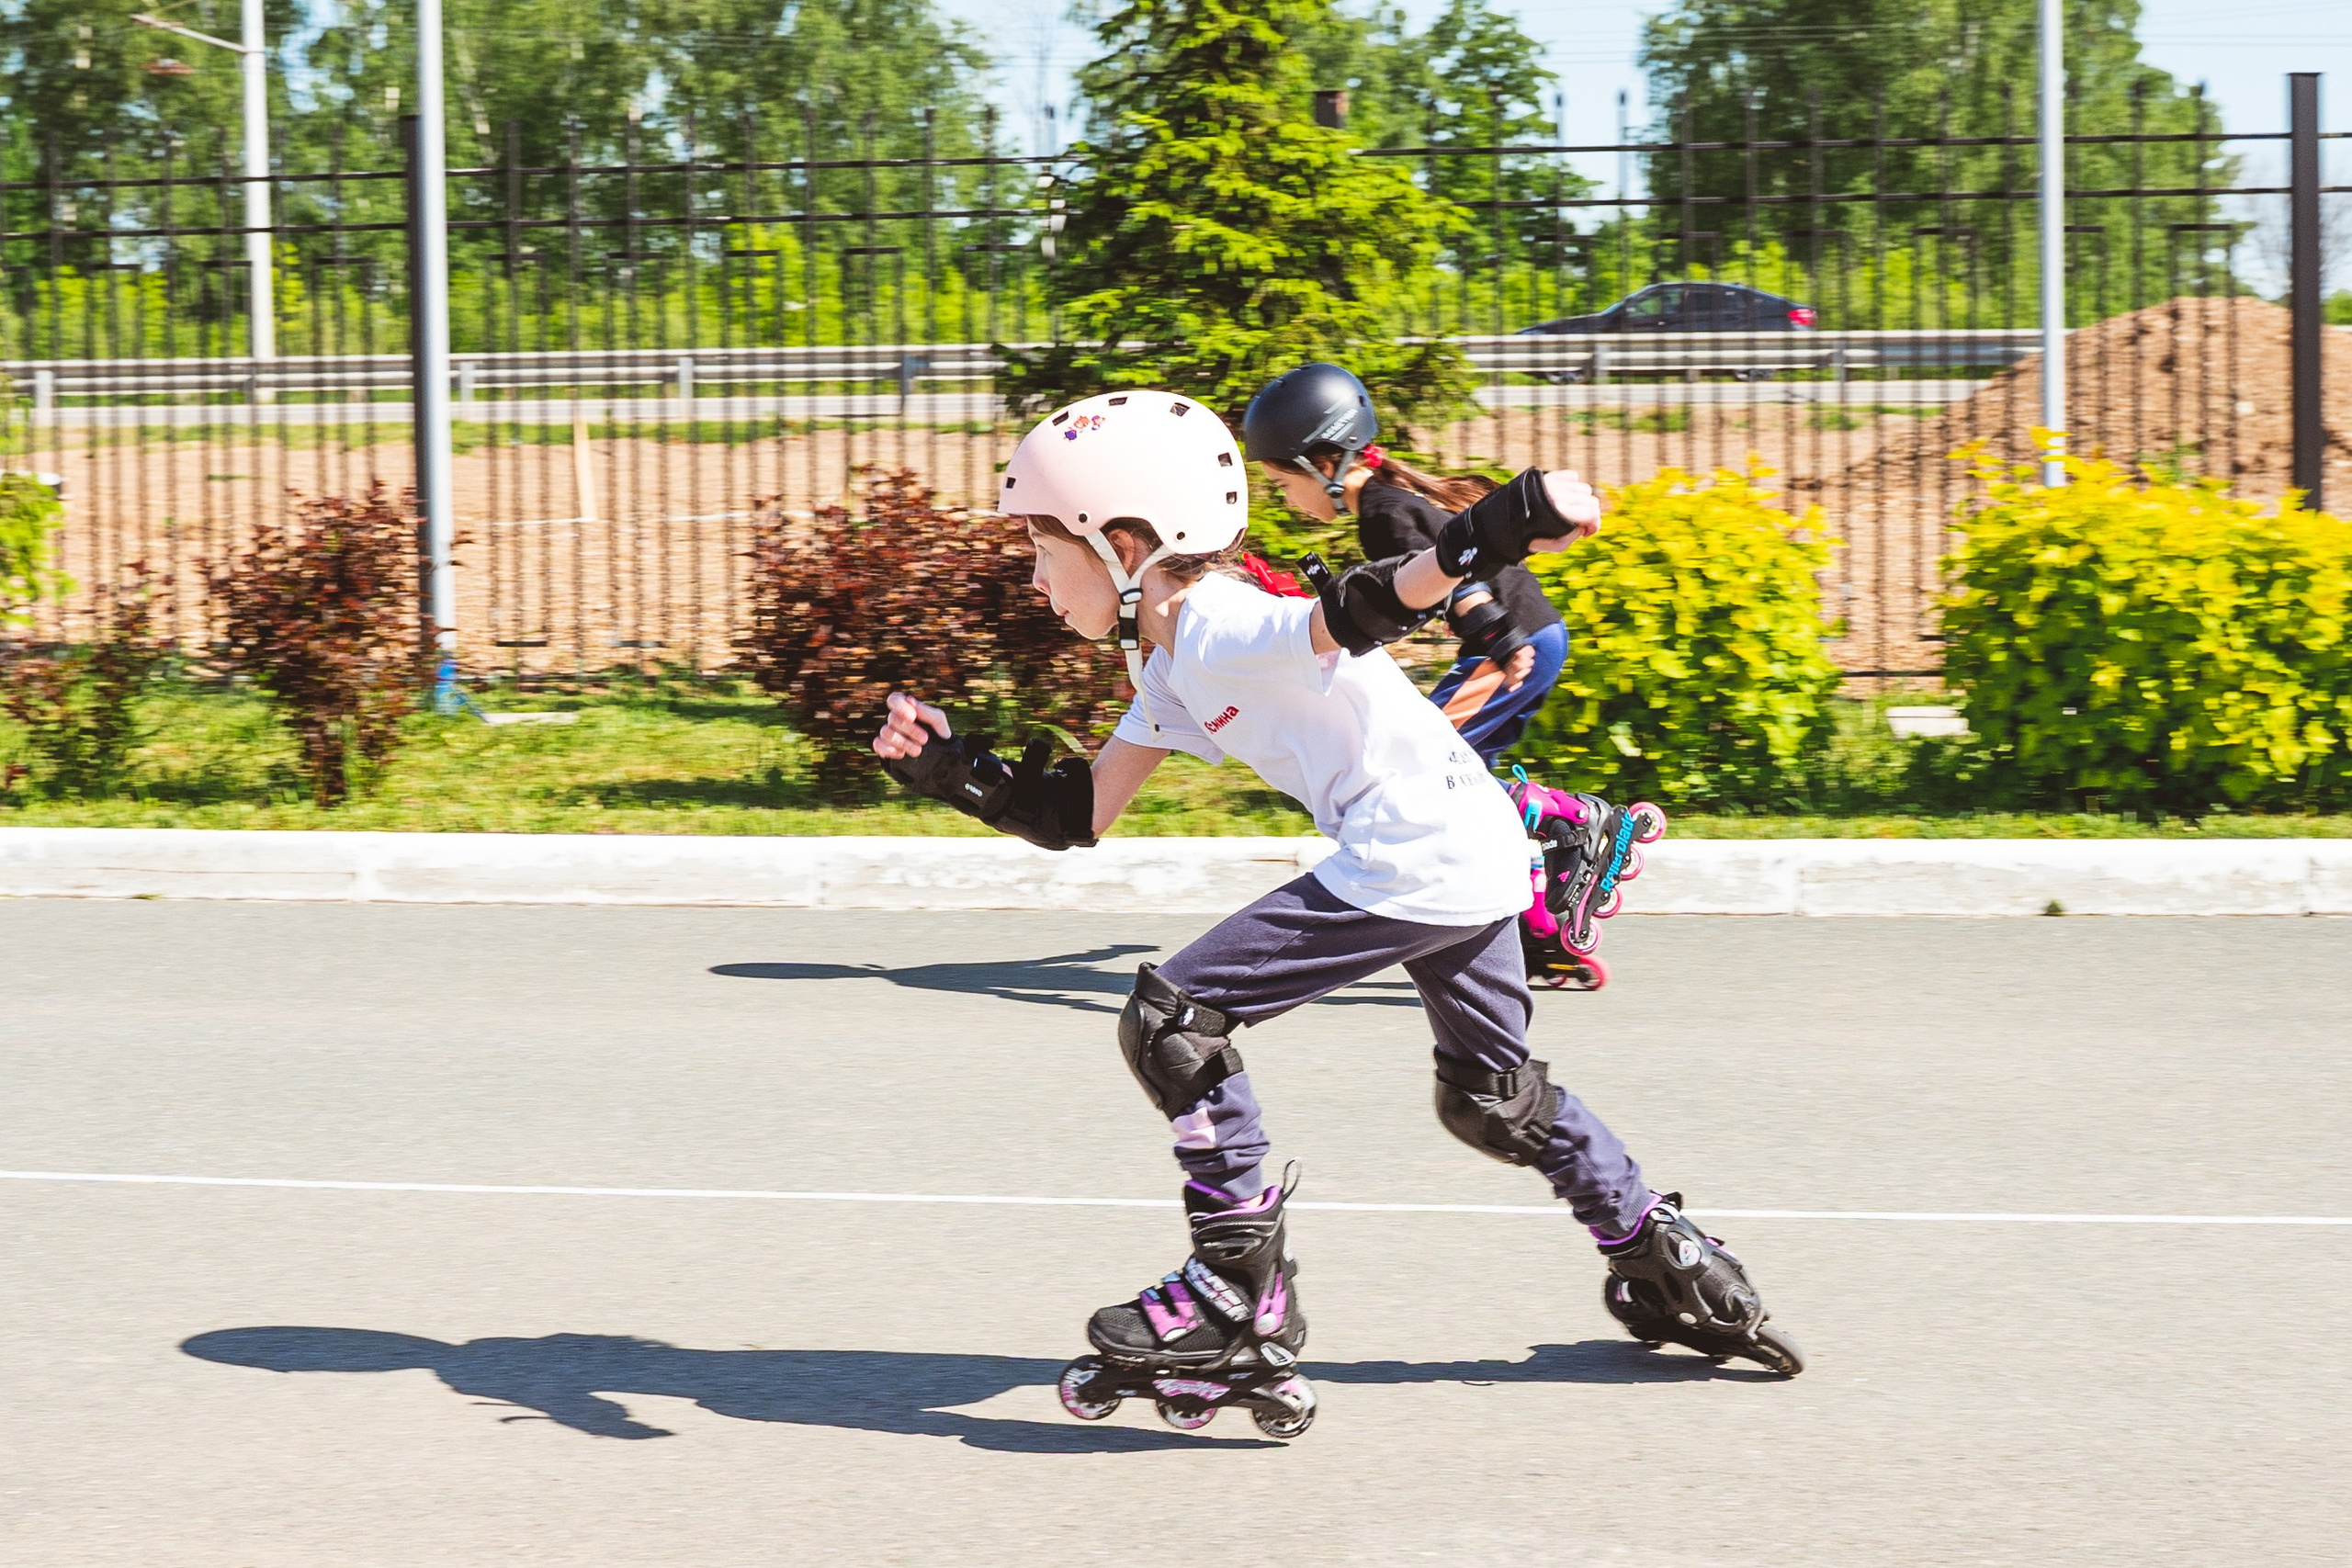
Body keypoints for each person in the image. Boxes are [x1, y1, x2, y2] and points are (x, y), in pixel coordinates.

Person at [870, 389, 1803, 1439]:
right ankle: (1662, 1254)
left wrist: (1501, 524)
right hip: (1471, 851)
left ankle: (1235, 1295)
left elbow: (1365, 607)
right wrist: (952, 768)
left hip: (1413, 856)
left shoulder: (1219, 623)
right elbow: (1077, 813)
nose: (1036, 582)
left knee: (1174, 1022)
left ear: (1123, 544)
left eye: (1046, 551)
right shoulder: (1171, 656)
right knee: (1491, 1101)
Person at [1241, 362, 1667, 988]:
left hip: (1511, 645)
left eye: (1282, 483)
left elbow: (1454, 578)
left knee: (1427, 772)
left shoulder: (1382, 511)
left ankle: (1569, 821)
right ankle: (1535, 920)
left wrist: (1497, 636)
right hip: (1524, 638)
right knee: (1456, 780)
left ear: (1320, 464)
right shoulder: (1389, 499)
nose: (1285, 499)